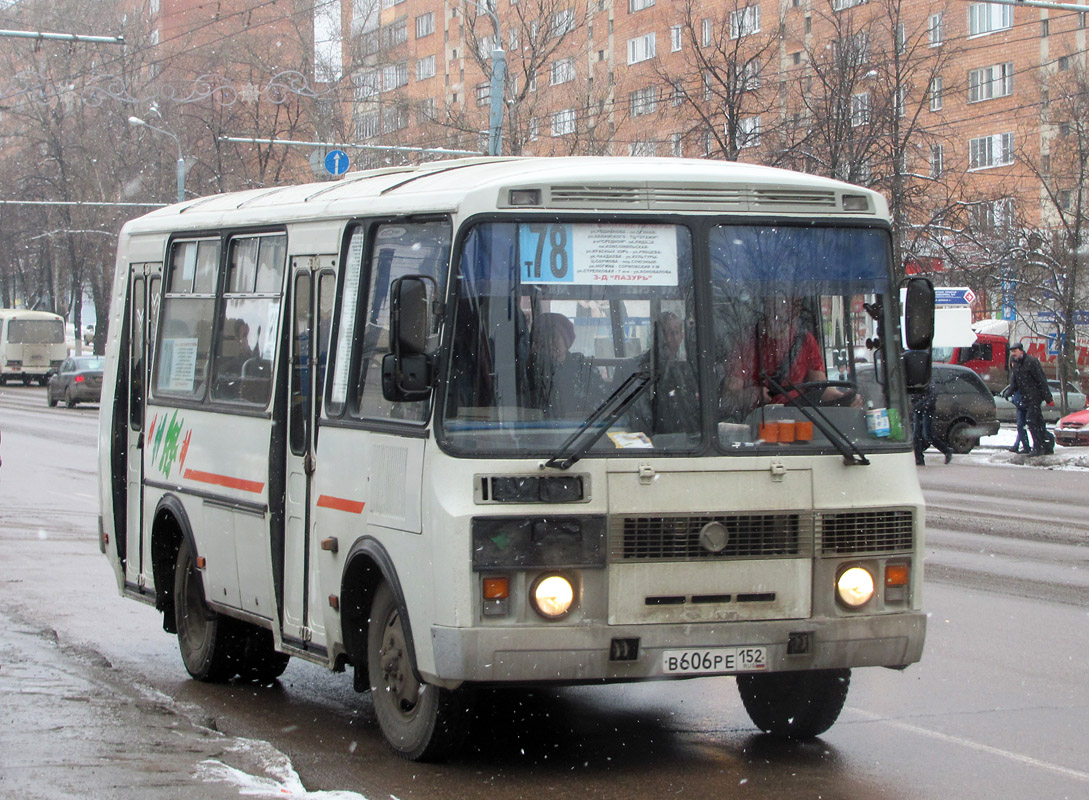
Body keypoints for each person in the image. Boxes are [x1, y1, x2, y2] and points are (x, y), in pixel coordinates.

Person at [721, 295, 860, 416]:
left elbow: (821, 388)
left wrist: (844, 398)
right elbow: (729, 396)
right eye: (779, 303)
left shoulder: (805, 340)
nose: (784, 309)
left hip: (799, 420)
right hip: (759, 424)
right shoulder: (747, 342)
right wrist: (753, 394)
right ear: (767, 307)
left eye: (792, 305)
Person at [630, 311, 700, 434]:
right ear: (656, 337)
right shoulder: (644, 369)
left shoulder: (687, 369)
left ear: (682, 336)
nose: (668, 339)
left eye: (674, 333)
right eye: (664, 333)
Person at [525, 312, 605, 418]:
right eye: (543, 337)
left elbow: (601, 404)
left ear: (566, 340)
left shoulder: (584, 368)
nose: (549, 343)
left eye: (554, 337)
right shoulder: (530, 369)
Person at [1006, 342, 1054, 456]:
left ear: (1021, 351)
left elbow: (1041, 380)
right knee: (1038, 422)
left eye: (1015, 351)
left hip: (1035, 397)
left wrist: (1048, 398)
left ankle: (1038, 447)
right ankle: (1047, 444)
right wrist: (1008, 393)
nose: (1014, 354)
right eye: (1012, 352)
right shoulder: (1017, 365)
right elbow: (1015, 383)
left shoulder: (1031, 362)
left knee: (1031, 421)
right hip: (1026, 398)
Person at [912, 379, 953, 465]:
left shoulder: (926, 379)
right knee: (917, 435)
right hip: (919, 408)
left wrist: (925, 405)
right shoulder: (915, 379)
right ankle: (919, 458)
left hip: (926, 409)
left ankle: (946, 450)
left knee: (927, 435)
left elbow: (932, 395)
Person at [1000, 376, 1031, 454]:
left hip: (1022, 402)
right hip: (1025, 402)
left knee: (1021, 425)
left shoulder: (1017, 372)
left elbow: (1013, 386)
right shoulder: (1023, 372)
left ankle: (1023, 445)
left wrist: (1008, 394)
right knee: (1023, 426)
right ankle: (1020, 445)